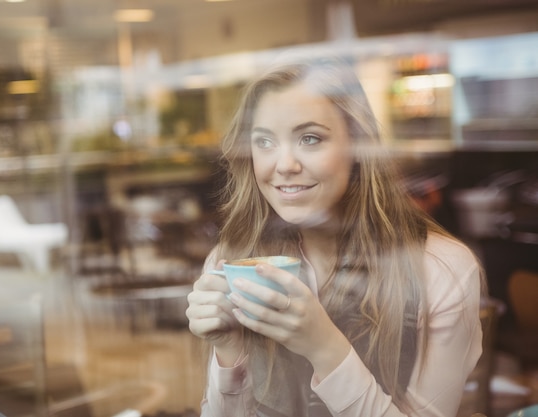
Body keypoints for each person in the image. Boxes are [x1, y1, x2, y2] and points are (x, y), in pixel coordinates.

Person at [185, 58, 485, 417]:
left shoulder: (441, 269)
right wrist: (229, 352)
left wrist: (325, 347)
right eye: (264, 141)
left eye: (309, 138)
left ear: (358, 147)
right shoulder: (231, 261)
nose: (283, 165)